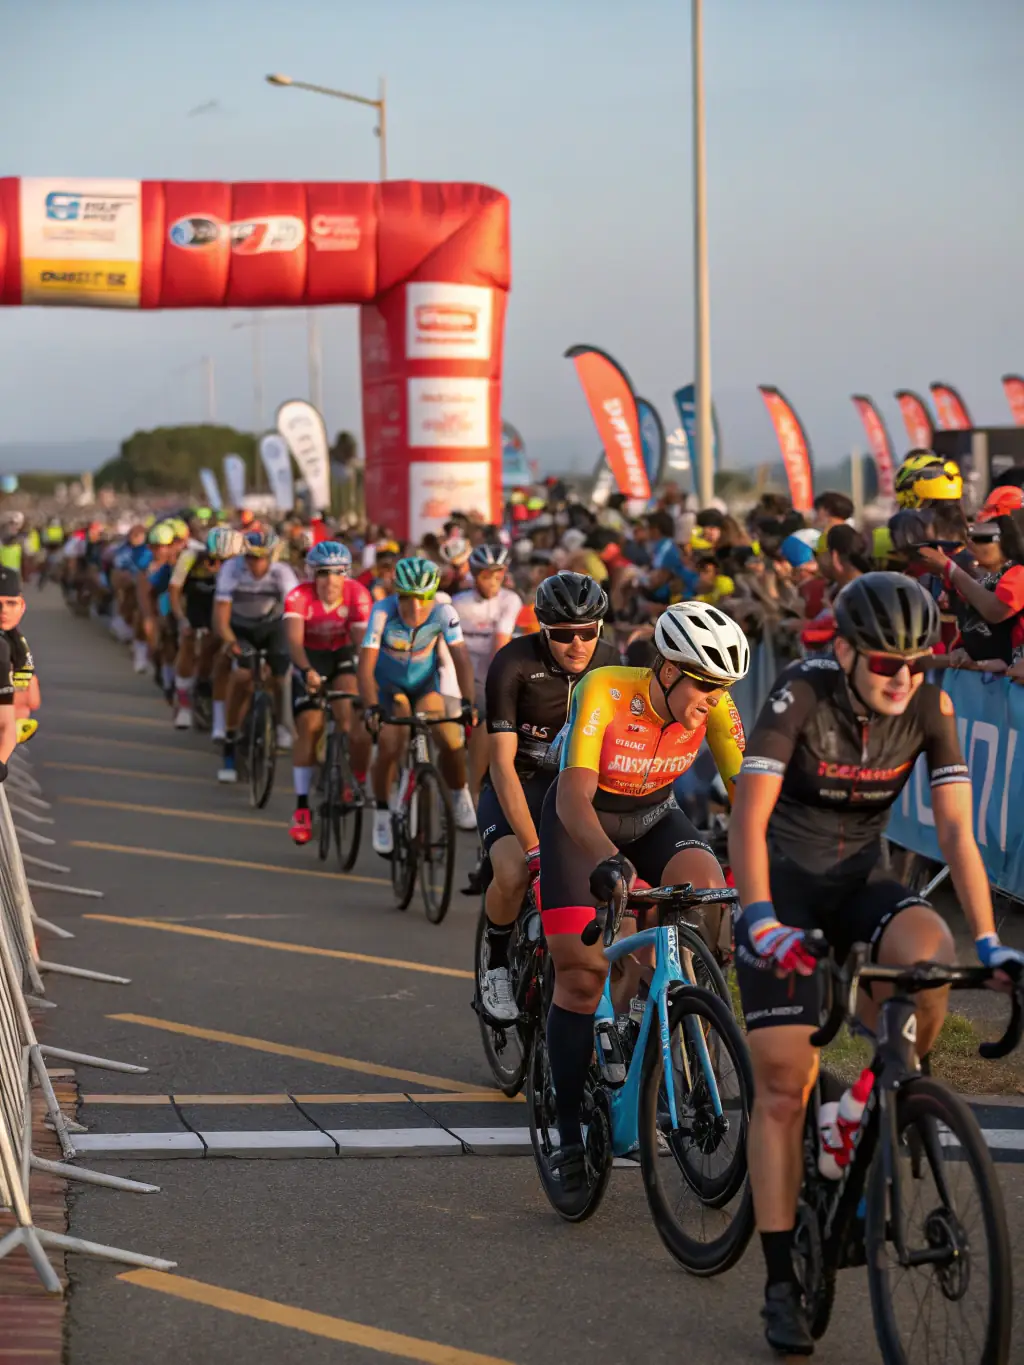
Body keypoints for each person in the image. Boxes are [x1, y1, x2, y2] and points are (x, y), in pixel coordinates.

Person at [728, 571, 1024, 1355]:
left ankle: (868, 1100)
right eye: (887, 662)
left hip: (861, 881)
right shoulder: (801, 694)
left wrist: (989, 940)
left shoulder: (932, 703)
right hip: (782, 888)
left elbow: (959, 834)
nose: (904, 677)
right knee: (784, 1087)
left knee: (930, 957)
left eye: (918, 661)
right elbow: (748, 820)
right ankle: (783, 1277)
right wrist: (757, 919)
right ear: (850, 652)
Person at [538, 601, 749, 1210]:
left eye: (723, 687)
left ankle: (667, 1027)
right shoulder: (606, 688)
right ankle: (572, 1133)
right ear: (664, 669)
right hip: (584, 824)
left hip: (655, 815)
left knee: (707, 893)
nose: (714, 697)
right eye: (705, 684)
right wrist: (609, 859)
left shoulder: (716, 708)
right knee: (582, 976)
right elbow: (575, 799)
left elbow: (749, 797)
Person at [477, 572, 618, 1021]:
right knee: (517, 871)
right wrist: (533, 847)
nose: (577, 645)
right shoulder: (513, 663)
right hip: (518, 783)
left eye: (587, 633)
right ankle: (496, 963)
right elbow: (500, 765)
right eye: (562, 634)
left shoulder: (614, 665)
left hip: (577, 791)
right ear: (542, 627)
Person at [358, 556, 477, 854]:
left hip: (425, 686)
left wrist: (468, 703)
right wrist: (371, 706)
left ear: (433, 595)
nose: (415, 608)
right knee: (389, 744)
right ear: (396, 594)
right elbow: (365, 665)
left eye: (423, 599)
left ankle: (459, 792)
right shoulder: (382, 611)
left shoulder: (443, 612)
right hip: (389, 688)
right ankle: (383, 812)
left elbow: (461, 659)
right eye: (407, 599)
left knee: (451, 739)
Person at [284, 541, 373, 845]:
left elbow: (363, 644)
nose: (330, 580)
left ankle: (351, 779)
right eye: (323, 573)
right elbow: (294, 643)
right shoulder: (298, 596)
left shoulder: (358, 594)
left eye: (338, 573)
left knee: (348, 715)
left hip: (341, 656)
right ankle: (301, 808)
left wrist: (368, 674)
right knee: (309, 727)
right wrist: (307, 671)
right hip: (309, 657)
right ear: (313, 574)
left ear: (346, 574)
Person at [212, 528, 299, 784]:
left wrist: (296, 643)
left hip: (272, 626)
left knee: (281, 676)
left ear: (272, 557)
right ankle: (229, 742)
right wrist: (229, 642)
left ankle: (280, 723)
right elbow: (220, 617)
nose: (255, 564)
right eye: (250, 558)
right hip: (240, 627)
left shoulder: (283, 573)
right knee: (242, 675)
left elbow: (294, 614)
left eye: (261, 558)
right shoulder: (231, 569)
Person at [452, 544, 521, 802]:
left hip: (491, 667)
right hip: (460, 669)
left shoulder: (510, 599)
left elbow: (499, 646)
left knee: (488, 717)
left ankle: (477, 791)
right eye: (486, 575)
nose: (493, 581)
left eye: (498, 574)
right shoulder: (458, 604)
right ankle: (467, 791)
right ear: (474, 574)